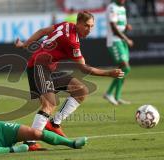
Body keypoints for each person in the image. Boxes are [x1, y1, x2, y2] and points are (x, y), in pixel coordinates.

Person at [15, 11, 124, 150]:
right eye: (86, 26)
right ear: (78, 23)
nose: (89, 29)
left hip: (49, 68)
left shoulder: (66, 25)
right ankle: (29, 142)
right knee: (49, 104)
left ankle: (54, 124)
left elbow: (43, 31)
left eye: (92, 26)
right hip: (38, 66)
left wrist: (25, 44)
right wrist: (108, 73)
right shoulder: (72, 41)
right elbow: (84, 69)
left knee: (81, 91)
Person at [104, 0, 134, 105]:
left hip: (121, 41)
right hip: (114, 41)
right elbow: (113, 27)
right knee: (125, 67)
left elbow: (121, 27)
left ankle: (117, 97)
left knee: (123, 70)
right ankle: (108, 93)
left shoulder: (122, 8)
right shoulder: (112, 7)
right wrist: (127, 39)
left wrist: (126, 27)